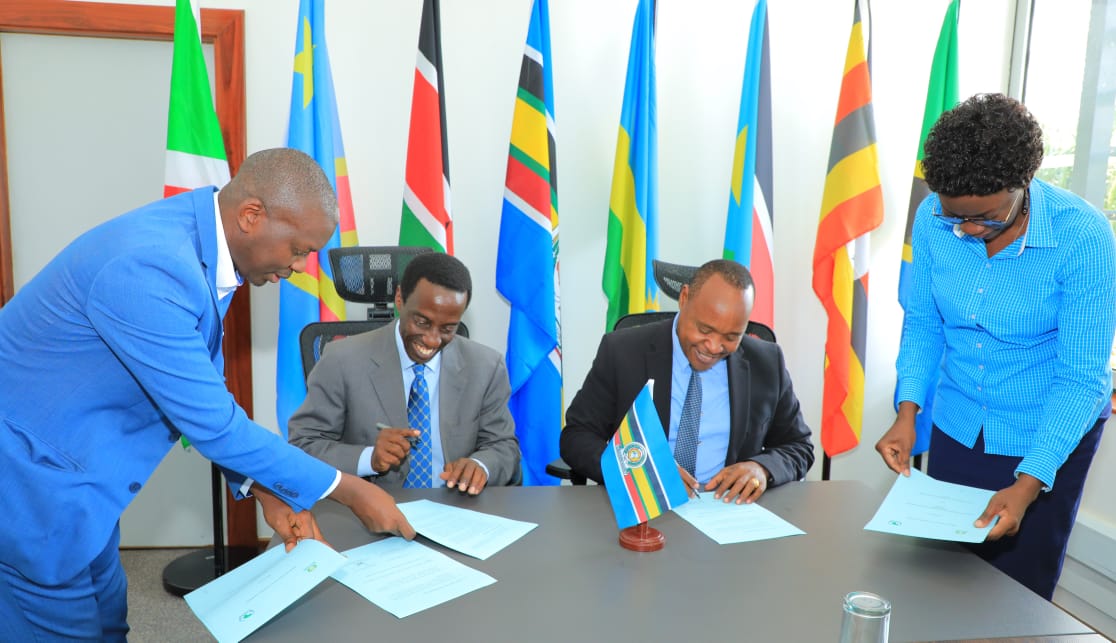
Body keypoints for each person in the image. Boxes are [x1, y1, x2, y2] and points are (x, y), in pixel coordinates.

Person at [0, 148, 416, 641]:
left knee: (109, 620)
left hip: (85, 484)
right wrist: (348, 489)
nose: (302, 267)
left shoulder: (206, 243)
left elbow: (201, 394)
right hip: (32, 488)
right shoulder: (151, 269)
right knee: (67, 629)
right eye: (298, 249)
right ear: (251, 216)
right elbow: (215, 425)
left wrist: (261, 487)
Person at [877, 93, 1116, 600]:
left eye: (982, 218)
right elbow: (923, 321)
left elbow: (1082, 379)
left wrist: (1028, 484)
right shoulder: (931, 218)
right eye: (952, 215)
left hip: (1045, 435)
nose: (963, 229)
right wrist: (907, 409)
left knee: (1015, 596)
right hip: (960, 422)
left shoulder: (1084, 239)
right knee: (940, 583)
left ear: (1022, 185)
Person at [560, 259, 814, 503]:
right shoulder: (623, 352)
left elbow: (799, 446)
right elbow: (576, 437)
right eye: (704, 330)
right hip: (646, 509)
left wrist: (762, 468)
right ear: (684, 299)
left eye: (731, 336)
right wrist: (637, 469)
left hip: (727, 511)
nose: (714, 347)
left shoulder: (767, 362)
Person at [289, 251, 521, 493]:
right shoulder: (341, 360)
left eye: (448, 328)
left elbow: (503, 447)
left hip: (456, 509)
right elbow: (303, 445)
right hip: (371, 509)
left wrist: (480, 465)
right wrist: (369, 458)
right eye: (422, 322)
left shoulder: (485, 367)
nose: (432, 340)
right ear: (399, 299)